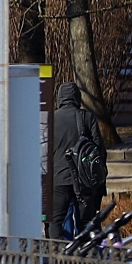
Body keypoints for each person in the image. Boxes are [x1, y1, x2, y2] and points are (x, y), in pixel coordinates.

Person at [49, 81, 106, 239]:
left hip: (58, 178)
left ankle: (57, 251)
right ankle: (85, 252)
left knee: (56, 221)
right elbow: (99, 149)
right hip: (83, 180)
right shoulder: (87, 117)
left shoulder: (50, 119)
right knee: (85, 221)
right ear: (77, 97)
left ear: (60, 98)